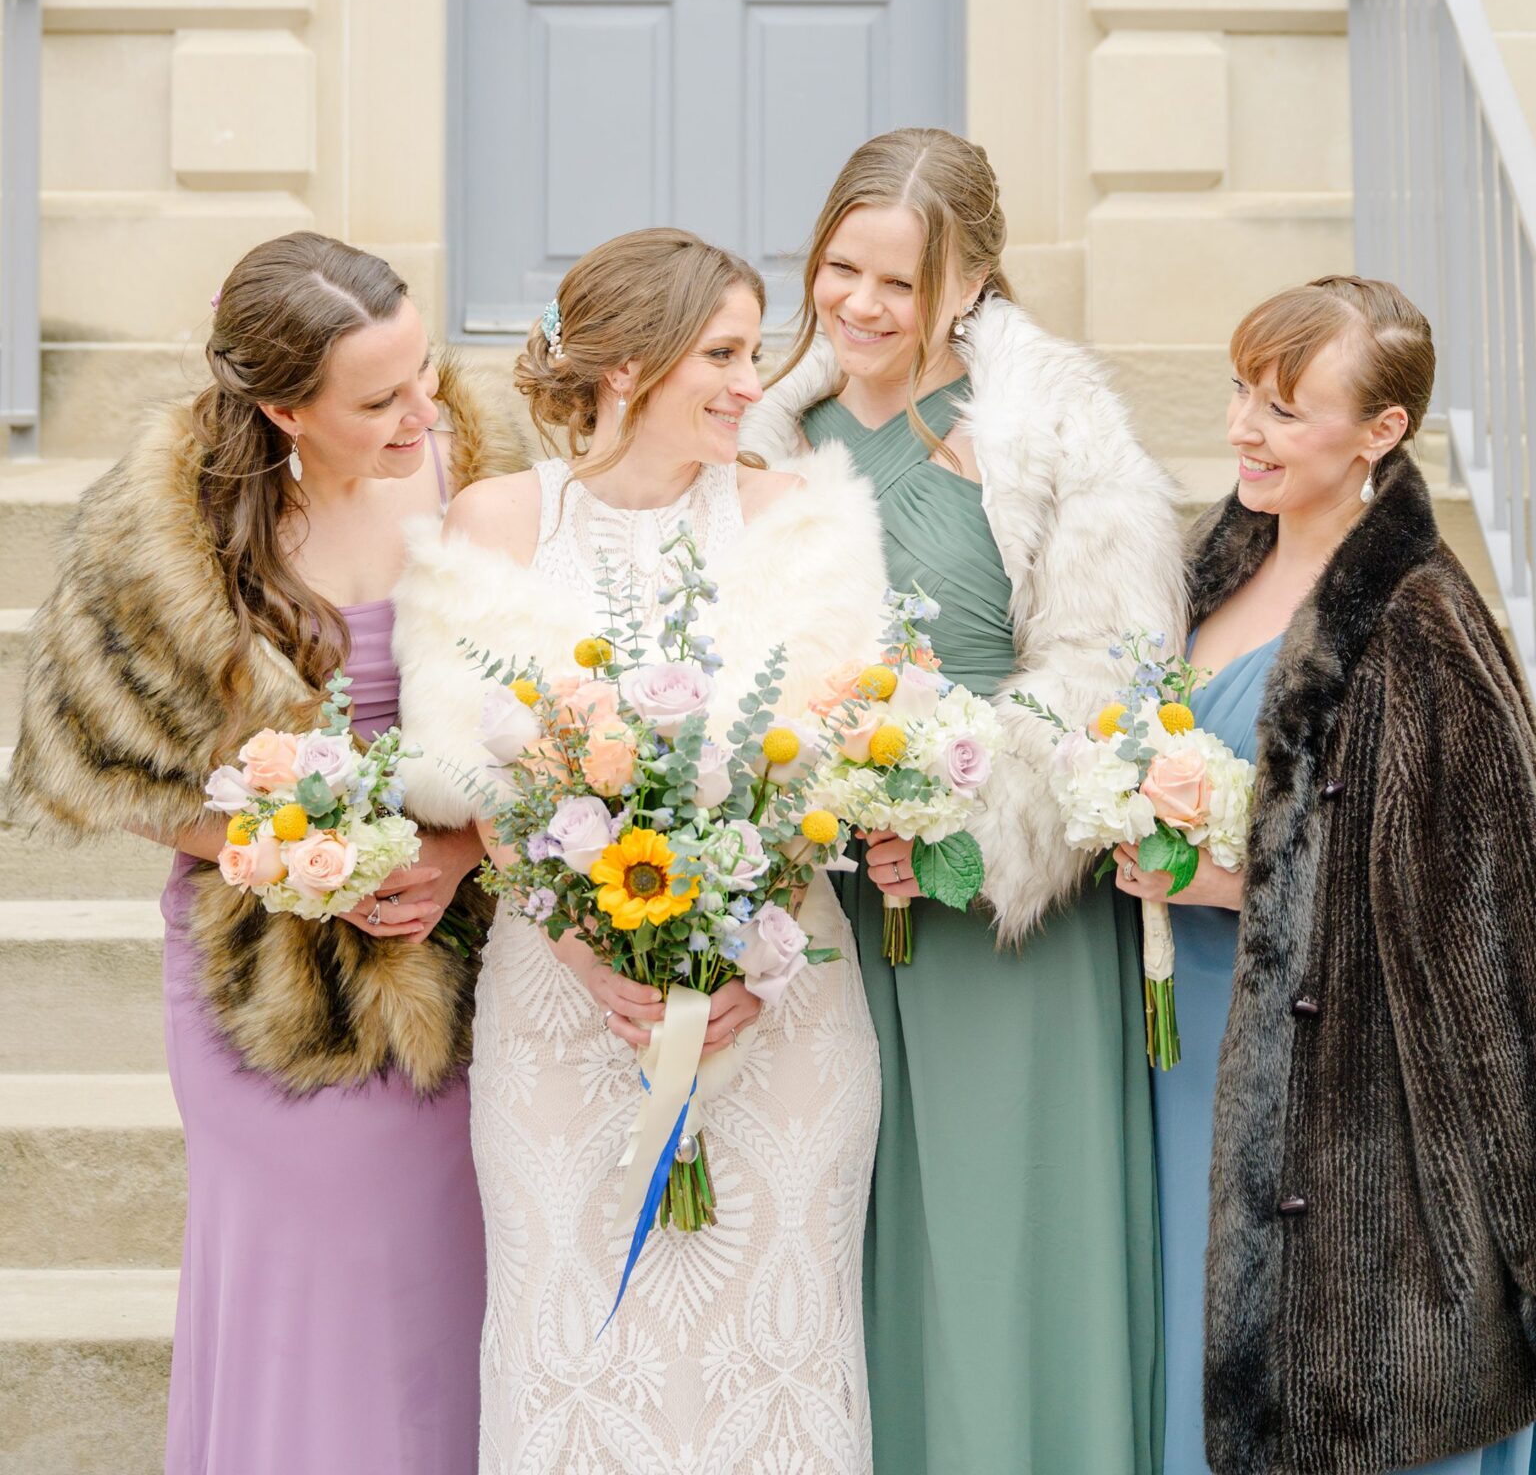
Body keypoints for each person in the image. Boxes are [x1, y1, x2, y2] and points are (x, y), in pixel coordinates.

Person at [1117, 273, 1536, 1475]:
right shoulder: (1198, 571)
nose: (1241, 429)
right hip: (1181, 1064)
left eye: (1283, 406)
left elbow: (1487, 916)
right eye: (1237, 390)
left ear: (1382, 431)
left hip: (1337, 1109)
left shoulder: (1419, 619)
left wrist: (1243, 882)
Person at [7, 233, 524, 1475]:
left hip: (472, 971)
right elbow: (100, 767)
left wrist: (453, 853)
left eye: (423, 371)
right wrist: (298, 856)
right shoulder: (167, 523)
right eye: (378, 397)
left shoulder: (482, 473)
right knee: (305, 1310)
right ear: (285, 408)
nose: (423, 411)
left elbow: (550, 711)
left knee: (452, 1308)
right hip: (268, 996)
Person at [391, 226, 889, 1475]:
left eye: (753, 352)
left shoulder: (807, 514)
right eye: (720, 353)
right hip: (562, 1021)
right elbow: (468, 774)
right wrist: (592, 956)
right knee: (573, 1358)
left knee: (776, 1361)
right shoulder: (495, 519)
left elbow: (839, 759)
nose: (749, 381)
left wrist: (738, 960)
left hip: (774, 1010)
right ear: (627, 365)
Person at [742, 126, 1183, 1475]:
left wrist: (961, 804)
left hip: (1006, 916)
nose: (862, 308)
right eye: (840, 270)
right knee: (831, 1242)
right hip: (824, 914)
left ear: (974, 282)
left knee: (1004, 1244)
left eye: (902, 284)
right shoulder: (771, 435)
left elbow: (1111, 670)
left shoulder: (1050, 436)